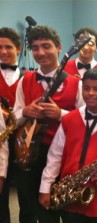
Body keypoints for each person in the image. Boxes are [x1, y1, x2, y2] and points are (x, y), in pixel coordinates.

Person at [39, 68, 97, 223]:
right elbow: (55, 156)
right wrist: (45, 188)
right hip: (70, 194)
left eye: (96, 89)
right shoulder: (68, 119)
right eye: (86, 88)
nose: (90, 93)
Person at [13, 25, 85, 223]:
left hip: (60, 156)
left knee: (52, 208)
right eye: (35, 48)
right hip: (28, 153)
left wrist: (60, 114)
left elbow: (85, 121)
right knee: (27, 207)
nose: (41, 52)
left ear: (59, 47)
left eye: (46, 46)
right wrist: (25, 111)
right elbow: (14, 117)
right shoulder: (24, 80)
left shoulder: (76, 83)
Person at [0, 27, 23, 223]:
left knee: (25, 197)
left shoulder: (28, 78)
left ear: (19, 49)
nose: (3, 51)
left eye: (8, 47)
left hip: (22, 145)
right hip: (0, 145)